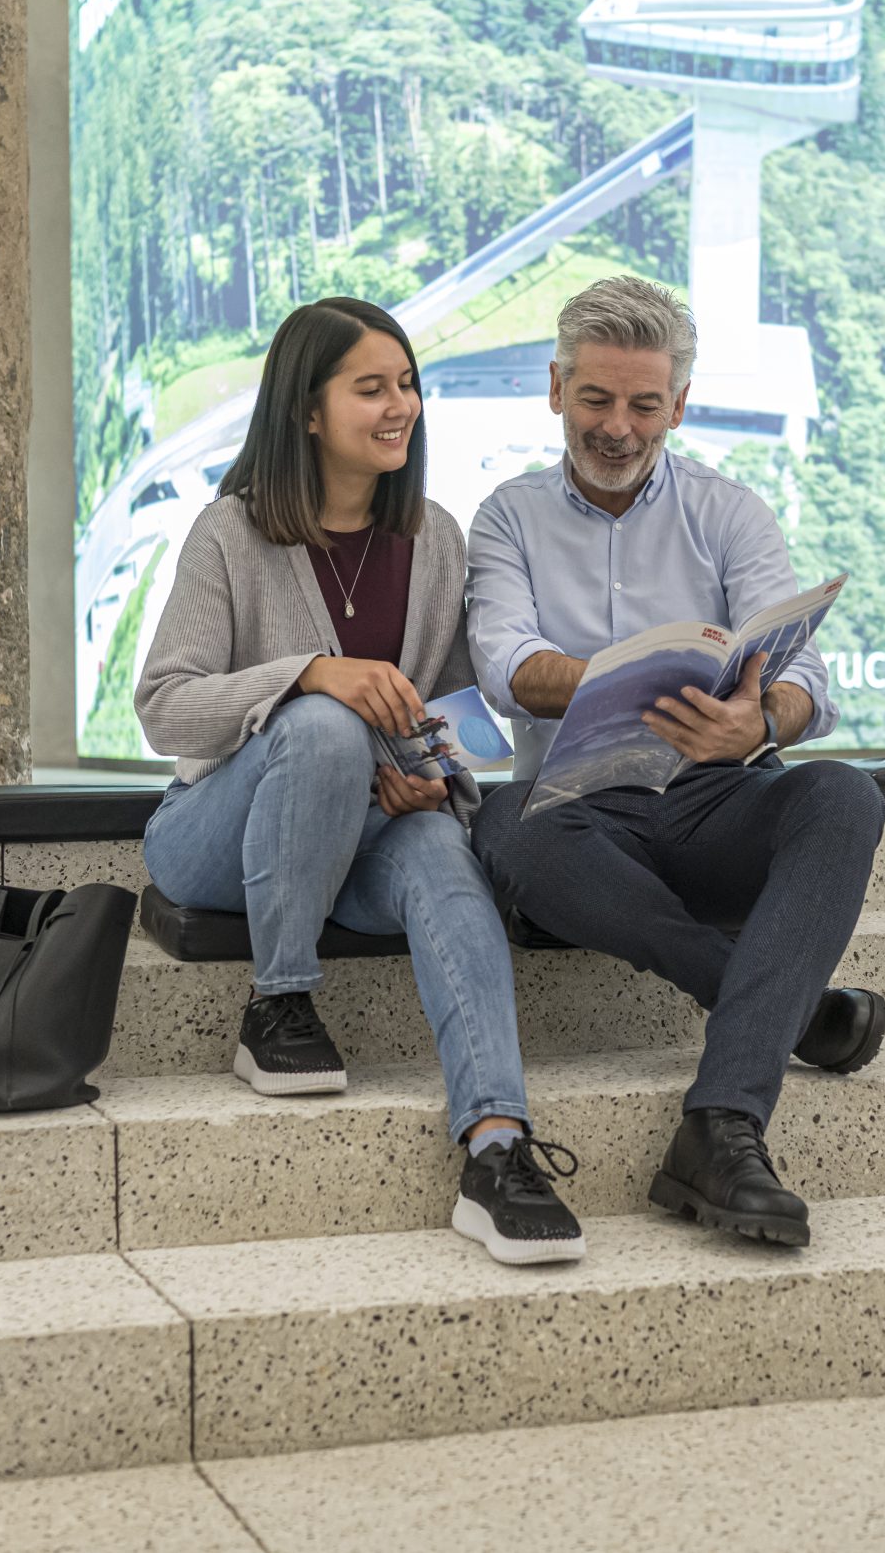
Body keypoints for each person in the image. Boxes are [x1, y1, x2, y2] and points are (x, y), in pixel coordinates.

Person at [134, 297, 584, 1265]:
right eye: (371, 388)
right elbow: (164, 707)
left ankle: (496, 1149)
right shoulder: (228, 533)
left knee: (442, 857)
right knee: (325, 725)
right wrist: (308, 674)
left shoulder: (436, 538)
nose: (400, 406)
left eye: (407, 384)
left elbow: (457, 714)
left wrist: (434, 779)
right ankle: (278, 1003)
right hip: (213, 839)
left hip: (367, 832)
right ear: (307, 410)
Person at [466, 276, 885, 1249]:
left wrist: (760, 720)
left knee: (844, 796)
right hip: (577, 814)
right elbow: (507, 667)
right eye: (595, 398)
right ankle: (782, 1007)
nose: (617, 427)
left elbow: (806, 680)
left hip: (712, 802)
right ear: (555, 388)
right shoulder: (506, 516)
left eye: (644, 405)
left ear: (680, 406)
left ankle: (721, 1123)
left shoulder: (730, 511)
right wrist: (623, 682)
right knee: (502, 827)